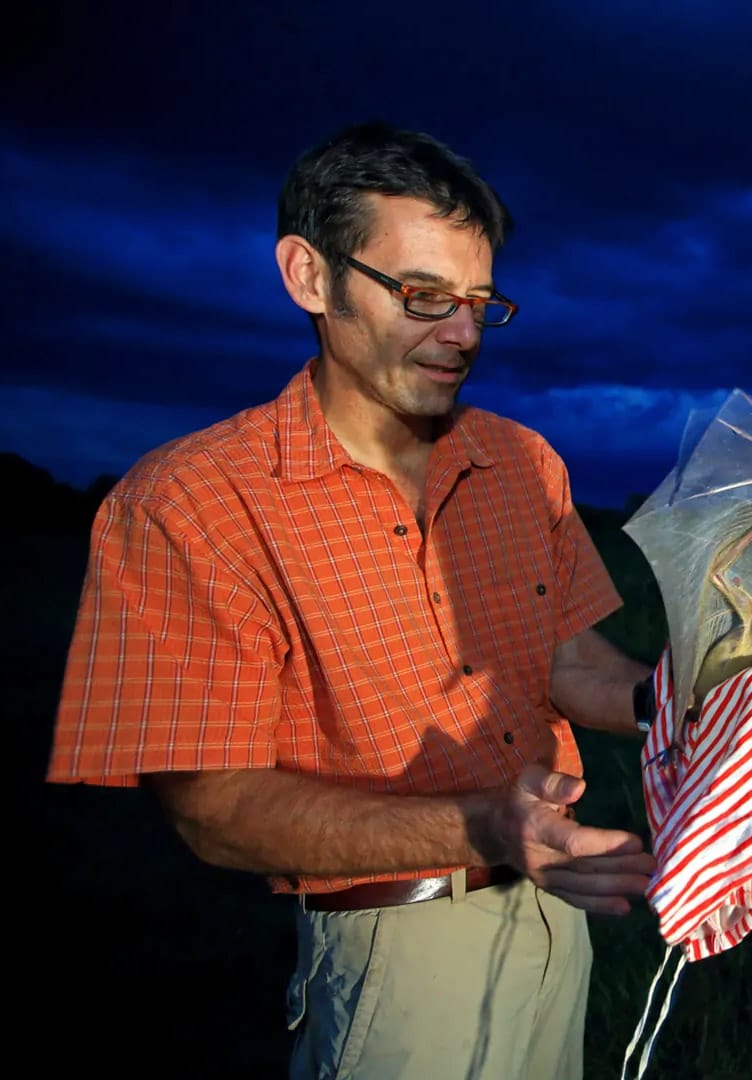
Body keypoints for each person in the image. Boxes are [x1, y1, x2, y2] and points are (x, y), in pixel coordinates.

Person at [47, 121, 658, 1080]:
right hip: (393, 951)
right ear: (310, 277)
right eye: (422, 296)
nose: (461, 334)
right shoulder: (192, 503)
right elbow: (214, 807)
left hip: (561, 916)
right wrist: (484, 825)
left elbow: (570, 663)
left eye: (479, 303)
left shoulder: (521, 463)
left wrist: (693, 698)